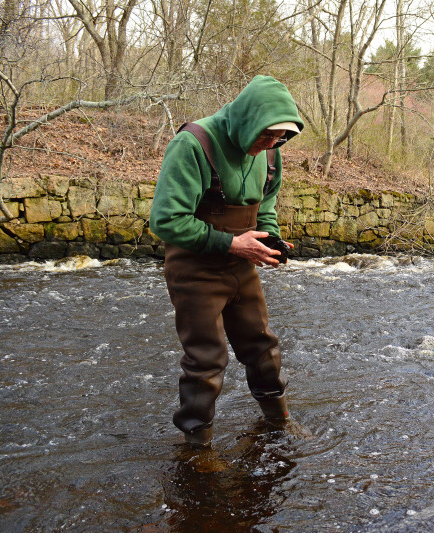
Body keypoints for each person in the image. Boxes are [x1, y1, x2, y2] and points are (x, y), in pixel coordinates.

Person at [150, 75, 304, 448]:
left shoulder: (270, 152)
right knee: (207, 360)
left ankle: (279, 421)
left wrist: (270, 240)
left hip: (241, 265)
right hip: (195, 268)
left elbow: (265, 205)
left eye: (281, 138)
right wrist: (233, 244)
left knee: (262, 346)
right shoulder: (193, 145)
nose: (272, 145)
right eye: (266, 136)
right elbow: (165, 220)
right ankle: (197, 444)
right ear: (247, 120)